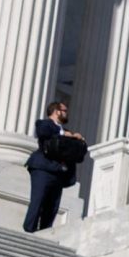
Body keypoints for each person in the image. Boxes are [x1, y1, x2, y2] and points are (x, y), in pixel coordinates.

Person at [23, 98, 87, 233]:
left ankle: (44, 232)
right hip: (43, 169)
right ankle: (29, 229)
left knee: (52, 206)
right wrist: (64, 134)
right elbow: (43, 132)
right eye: (65, 111)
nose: (67, 113)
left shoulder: (67, 131)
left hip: (59, 172)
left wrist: (78, 139)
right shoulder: (45, 124)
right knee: (38, 199)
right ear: (57, 112)